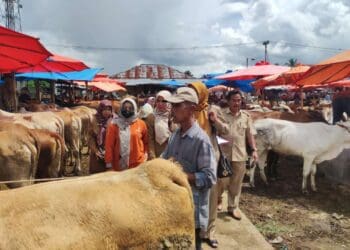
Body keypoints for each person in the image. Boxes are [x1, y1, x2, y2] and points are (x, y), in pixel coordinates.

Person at [161, 87, 216, 250]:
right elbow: (164, 159)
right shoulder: (175, 135)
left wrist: (179, 175)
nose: (173, 110)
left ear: (192, 108)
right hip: (174, 206)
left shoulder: (201, 140)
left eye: (178, 106)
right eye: (173, 105)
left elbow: (209, 177)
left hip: (192, 209)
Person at [209, 90, 258, 221]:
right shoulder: (221, 114)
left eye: (238, 100)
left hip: (240, 154)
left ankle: (232, 207)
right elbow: (215, 133)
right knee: (221, 181)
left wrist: (253, 150)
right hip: (223, 155)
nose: (236, 103)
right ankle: (218, 199)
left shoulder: (246, 117)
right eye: (234, 100)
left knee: (236, 183)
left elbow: (250, 135)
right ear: (228, 101)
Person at [188, 82, 220, 248]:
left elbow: (225, 132)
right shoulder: (189, 111)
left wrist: (215, 121)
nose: (193, 94)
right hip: (191, 160)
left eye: (195, 92)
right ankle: (195, 230)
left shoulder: (211, 110)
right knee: (194, 197)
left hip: (209, 160)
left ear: (201, 93)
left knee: (211, 197)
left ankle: (209, 232)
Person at [104, 97, 148, 171]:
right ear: (121, 108)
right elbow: (109, 146)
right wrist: (109, 164)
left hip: (137, 164)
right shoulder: (114, 125)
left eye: (130, 108)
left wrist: (145, 156)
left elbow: (146, 142)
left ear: (134, 109)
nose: (127, 110)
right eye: (125, 107)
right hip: (118, 165)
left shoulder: (141, 124)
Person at [88, 100, 116, 174]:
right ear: (100, 110)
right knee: (97, 175)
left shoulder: (115, 121)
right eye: (104, 109)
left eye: (108, 109)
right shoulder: (95, 120)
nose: (106, 112)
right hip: (98, 153)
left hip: (112, 153)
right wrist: (95, 150)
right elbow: (91, 137)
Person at [145, 90, 174, 159]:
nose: (160, 104)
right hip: (158, 153)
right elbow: (150, 139)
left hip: (174, 152)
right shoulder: (151, 117)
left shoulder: (174, 116)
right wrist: (152, 156)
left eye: (164, 101)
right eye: (158, 101)